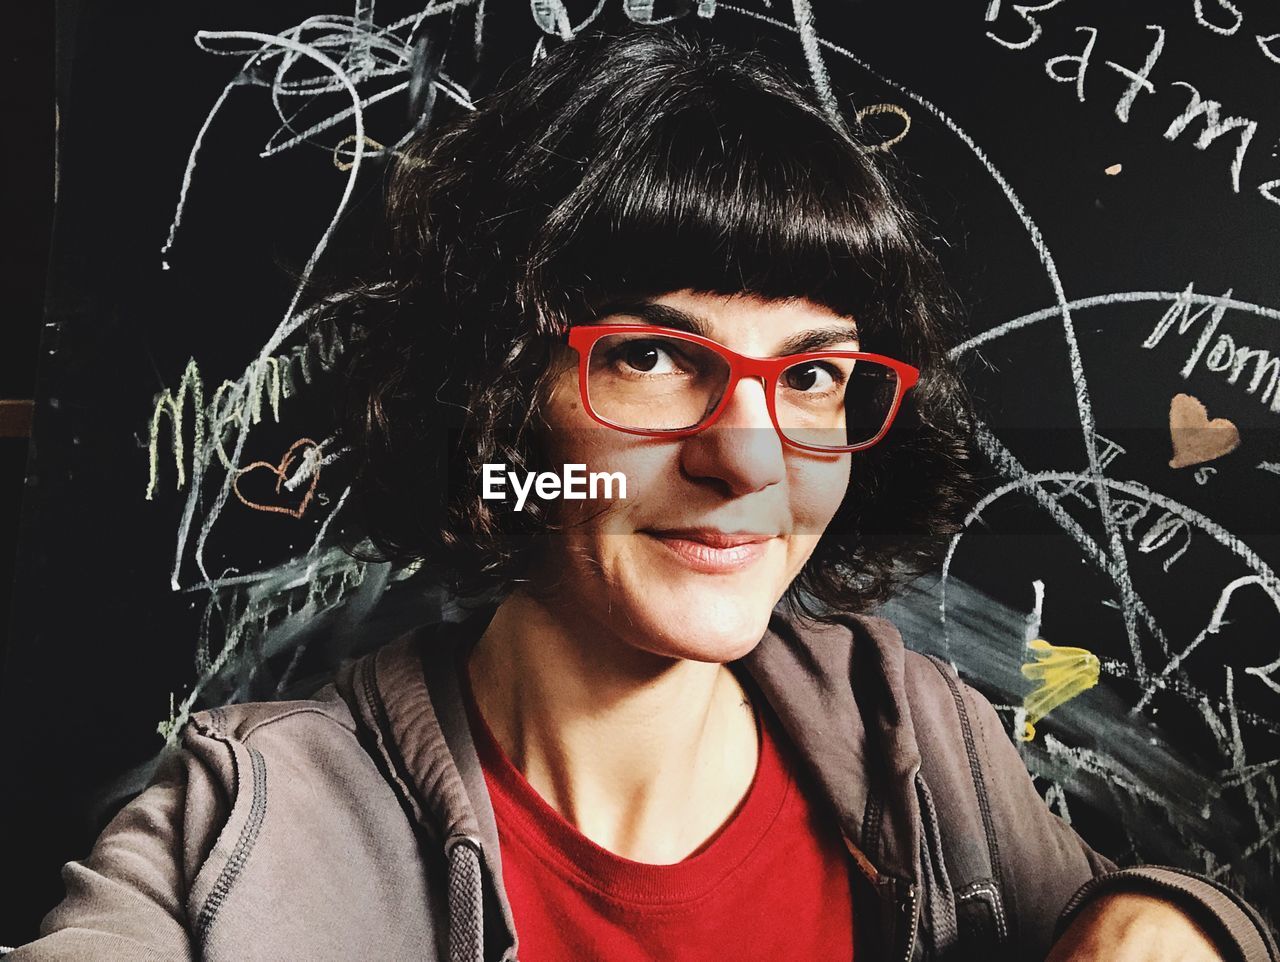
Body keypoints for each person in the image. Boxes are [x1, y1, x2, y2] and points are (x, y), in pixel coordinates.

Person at [9, 25, 1275, 962]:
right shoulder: (240, 832)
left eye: (813, 375)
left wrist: (1162, 913)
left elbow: (1178, 923)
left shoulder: (918, 734)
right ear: (493, 393)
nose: (750, 459)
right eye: (652, 356)